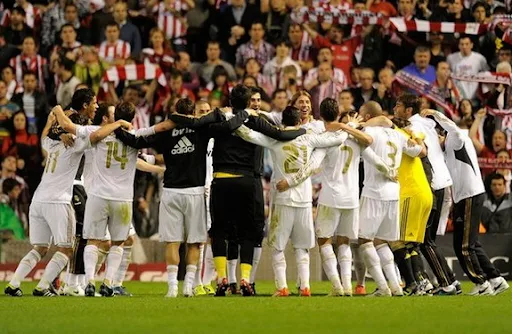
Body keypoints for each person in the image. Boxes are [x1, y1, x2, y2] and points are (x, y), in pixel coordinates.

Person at [169, 84, 306, 296]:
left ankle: (222, 278)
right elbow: (280, 135)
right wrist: (304, 129)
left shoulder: (218, 116)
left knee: (220, 232)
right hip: (248, 181)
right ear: (249, 101)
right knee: (249, 233)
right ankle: (244, 279)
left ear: (230, 101)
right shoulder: (255, 119)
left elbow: (196, 123)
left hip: (221, 180)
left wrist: (174, 115)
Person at [4, 105, 130, 297]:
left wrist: (49, 123)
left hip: (38, 200)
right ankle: (43, 286)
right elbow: (96, 136)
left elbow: (43, 137)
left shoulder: (51, 144)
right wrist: (118, 123)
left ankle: (13, 284)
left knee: (40, 248)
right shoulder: (77, 143)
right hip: (58, 201)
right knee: (67, 249)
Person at [275, 98, 393, 296]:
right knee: (344, 241)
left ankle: (337, 286)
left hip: (330, 197)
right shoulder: (355, 138)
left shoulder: (326, 139)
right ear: (338, 114)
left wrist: (290, 181)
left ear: (321, 116)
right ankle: (347, 286)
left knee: (325, 241)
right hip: (352, 198)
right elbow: (374, 159)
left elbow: (311, 167)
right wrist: (389, 171)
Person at [235, 105, 349, 296]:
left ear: (283, 121)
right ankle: (305, 286)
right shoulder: (309, 138)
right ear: (298, 121)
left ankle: (282, 287)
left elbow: (248, 135)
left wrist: (234, 119)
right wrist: (349, 126)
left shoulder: (274, 139)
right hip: (304, 200)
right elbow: (338, 138)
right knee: (302, 246)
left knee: (277, 247)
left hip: (283, 199)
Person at [420, 108, 509, 296]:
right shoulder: (446, 151)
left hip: (471, 194)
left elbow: (455, 129)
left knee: (464, 246)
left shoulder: (456, 139)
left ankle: (481, 283)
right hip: (464, 197)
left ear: (440, 133)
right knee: (471, 244)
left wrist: (434, 114)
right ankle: (496, 279)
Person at [357, 101, 426, 297]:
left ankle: (383, 287)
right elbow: (420, 152)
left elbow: (363, 144)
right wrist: (417, 138)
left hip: (374, 192)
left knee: (364, 240)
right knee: (381, 240)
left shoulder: (370, 132)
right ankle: (395, 286)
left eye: (362, 114)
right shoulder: (398, 134)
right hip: (394, 193)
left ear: (368, 117)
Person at [394, 93, 458, 294]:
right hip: (442, 182)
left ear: (408, 110)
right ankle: (446, 281)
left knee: (424, 241)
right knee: (424, 240)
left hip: (432, 183)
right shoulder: (426, 123)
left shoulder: (414, 126)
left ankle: (446, 283)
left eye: (398, 106)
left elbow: (422, 151)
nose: (395, 109)